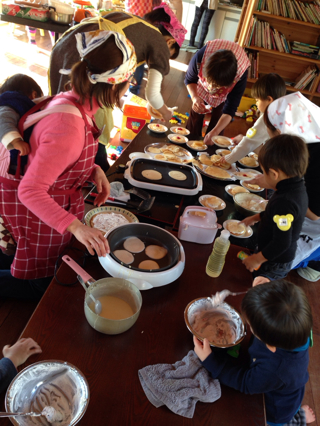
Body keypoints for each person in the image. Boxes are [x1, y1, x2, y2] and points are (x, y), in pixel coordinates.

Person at [0, 30, 136, 300]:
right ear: (112, 86)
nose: (129, 88)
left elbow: (54, 157)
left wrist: (94, 170)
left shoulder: (74, 98)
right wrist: (76, 226)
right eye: (128, 82)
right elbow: (30, 191)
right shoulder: (69, 126)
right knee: (39, 281)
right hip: (34, 205)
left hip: (45, 199)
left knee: (22, 252)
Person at [193, 280, 316, 426]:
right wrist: (266, 291)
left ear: (269, 345)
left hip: (277, 409)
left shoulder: (276, 370)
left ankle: (300, 418)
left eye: (251, 326)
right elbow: (281, 302)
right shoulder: (294, 327)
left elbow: (245, 383)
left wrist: (210, 361)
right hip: (286, 385)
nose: (249, 326)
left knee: (281, 422)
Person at [49, 4, 187, 128]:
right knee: (77, 118)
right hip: (79, 54)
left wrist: (153, 104)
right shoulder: (160, 44)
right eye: (169, 56)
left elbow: (152, 96)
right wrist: (166, 113)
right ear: (170, 42)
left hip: (66, 45)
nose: (164, 58)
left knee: (60, 107)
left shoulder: (140, 25)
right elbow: (152, 94)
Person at [260, 92, 320, 282]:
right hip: (295, 204)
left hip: (313, 220)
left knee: (275, 265)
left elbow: (314, 214)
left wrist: (276, 188)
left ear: (281, 133)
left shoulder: (314, 160)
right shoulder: (303, 140)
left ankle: (315, 265)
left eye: (269, 132)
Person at [240, 134, 309, 281]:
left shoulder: (285, 203)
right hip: (270, 251)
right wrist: (256, 217)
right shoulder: (296, 186)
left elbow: (281, 243)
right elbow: (275, 215)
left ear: (274, 174)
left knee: (261, 285)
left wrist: (258, 259)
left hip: (275, 260)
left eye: (264, 173)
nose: (263, 177)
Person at [184, 40, 250, 142]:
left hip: (225, 93)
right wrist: (195, 97)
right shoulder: (200, 58)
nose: (212, 88)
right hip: (202, 84)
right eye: (210, 83)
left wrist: (215, 131)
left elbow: (230, 110)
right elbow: (190, 80)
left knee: (218, 120)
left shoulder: (240, 75)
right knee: (196, 112)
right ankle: (189, 142)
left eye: (217, 86)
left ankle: (211, 145)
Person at [219, 73, 286, 166]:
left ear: (269, 100)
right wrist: (244, 138)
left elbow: (248, 143)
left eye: (257, 100)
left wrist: (228, 159)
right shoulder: (283, 112)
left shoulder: (267, 117)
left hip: (276, 164)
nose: (256, 104)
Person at [0, 74, 44, 176]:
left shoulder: (16, 105)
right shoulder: (10, 105)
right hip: (10, 163)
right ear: (34, 94)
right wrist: (16, 141)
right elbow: (2, 121)